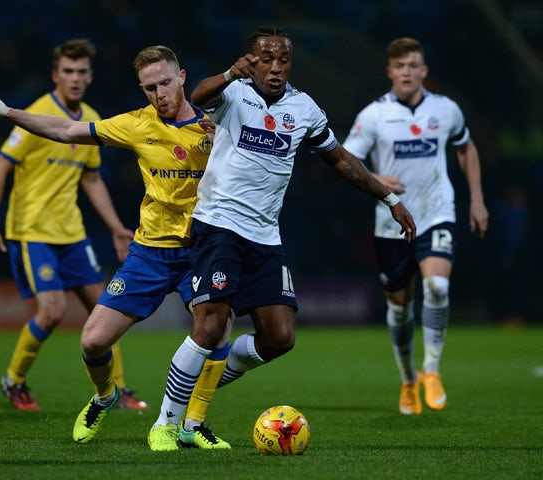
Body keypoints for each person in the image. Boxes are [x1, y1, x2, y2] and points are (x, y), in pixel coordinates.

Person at [147, 25, 417, 450]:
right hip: (218, 225)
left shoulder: (304, 108)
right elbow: (195, 97)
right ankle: (166, 423)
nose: (275, 68)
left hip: (264, 235)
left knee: (279, 337)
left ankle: (199, 399)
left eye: (283, 60)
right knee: (212, 323)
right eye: (265, 59)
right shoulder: (233, 93)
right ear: (251, 60)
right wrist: (230, 73)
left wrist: (387, 198)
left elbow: (340, 159)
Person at [0, 45, 231, 449]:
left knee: (217, 329)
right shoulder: (136, 124)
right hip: (150, 253)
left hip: (201, 251)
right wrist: (6, 112)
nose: (158, 94)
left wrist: (229, 144)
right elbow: (64, 131)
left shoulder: (220, 124)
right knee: (92, 341)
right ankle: (105, 396)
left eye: (164, 83)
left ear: (181, 78)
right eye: (148, 88)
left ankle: (192, 424)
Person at [0, 38, 147, 412]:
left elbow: (92, 179)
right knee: (52, 311)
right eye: (67, 71)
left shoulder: (90, 117)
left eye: (81, 71)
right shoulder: (36, 114)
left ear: (90, 76)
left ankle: (117, 389)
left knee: (107, 308)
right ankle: (14, 380)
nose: (75, 78)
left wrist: (117, 227)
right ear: (55, 74)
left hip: (72, 233)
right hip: (32, 230)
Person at [342, 37, 488, 415]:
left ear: (424, 71)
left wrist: (477, 200)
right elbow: (343, 159)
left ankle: (432, 370)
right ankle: (408, 379)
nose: (408, 72)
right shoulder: (374, 115)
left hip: (437, 212)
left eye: (414, 66)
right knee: (399, 311)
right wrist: (376, 178)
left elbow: (466, 148)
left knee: (437, 287)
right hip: (392, 222)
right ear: (390, 71)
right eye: (400, 66)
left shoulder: (445, 110)